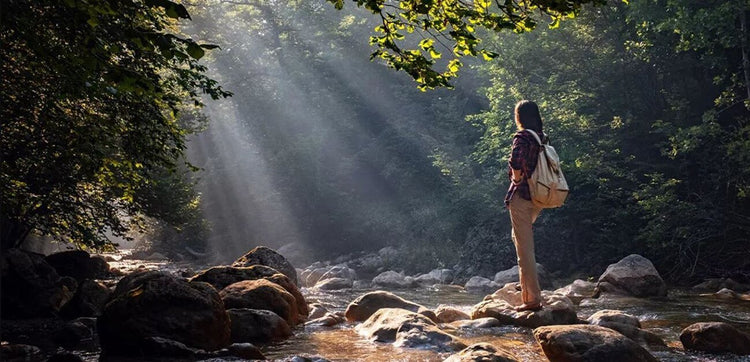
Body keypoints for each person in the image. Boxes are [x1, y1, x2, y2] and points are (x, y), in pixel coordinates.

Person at [504, 100, 546, 312]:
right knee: (519, 239)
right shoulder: (541, 137)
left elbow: (516, 160)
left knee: (524, 249)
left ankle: (531, 300)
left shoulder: (522, 137)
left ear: (519, 116)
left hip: (521, 195)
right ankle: (528, 289)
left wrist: (517, 179)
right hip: (538, 196)